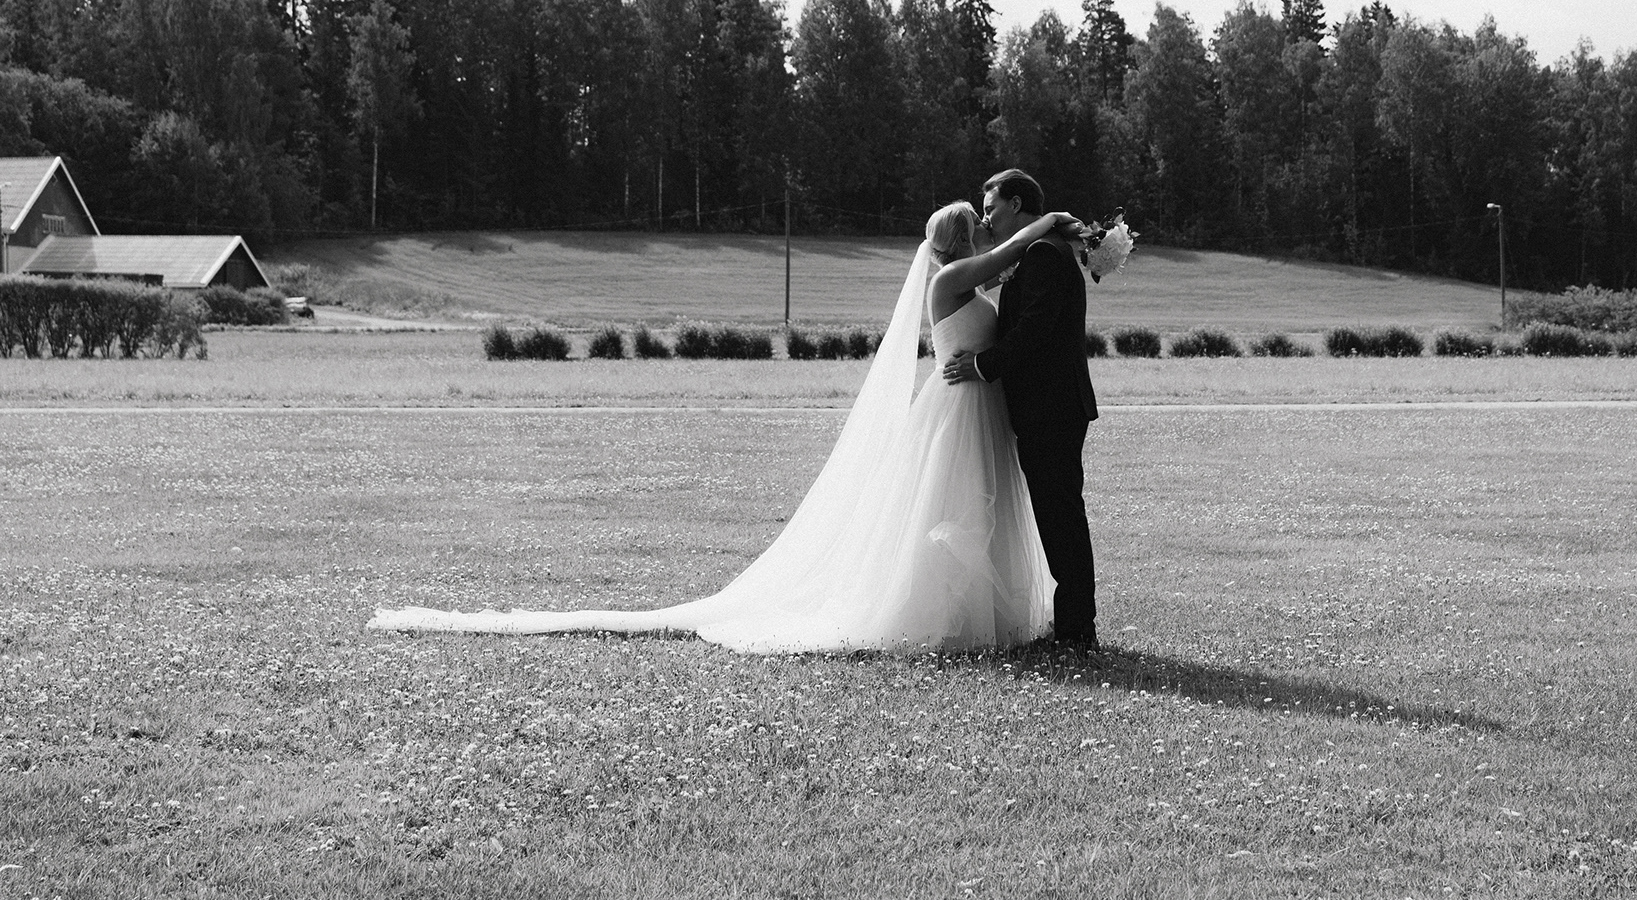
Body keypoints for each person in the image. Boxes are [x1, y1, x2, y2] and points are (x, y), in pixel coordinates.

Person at [367, 202, 1081, 653]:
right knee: (949, 514)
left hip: (978, 406)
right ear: (962, 240)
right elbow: (1001, 259)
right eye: (980, 224)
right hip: (957, 410)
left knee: (981, 513)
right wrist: (1050, 226)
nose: (990, 228)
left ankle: (990, 617)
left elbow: (1006, 289)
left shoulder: (974, 283)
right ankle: (949, 617)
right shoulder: (949, 280)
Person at [941, 169, 1100, 648]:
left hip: (1052, 408)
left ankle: (1075, 631)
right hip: (1046, 407)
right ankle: (1073, 624)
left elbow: (1032, 333)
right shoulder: (1037, 252)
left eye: (990, 208)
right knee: (1057, 515)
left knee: (1061, 517)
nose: (987, 217)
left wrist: (982, 365)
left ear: (1014, 203)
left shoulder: (1043, 255)